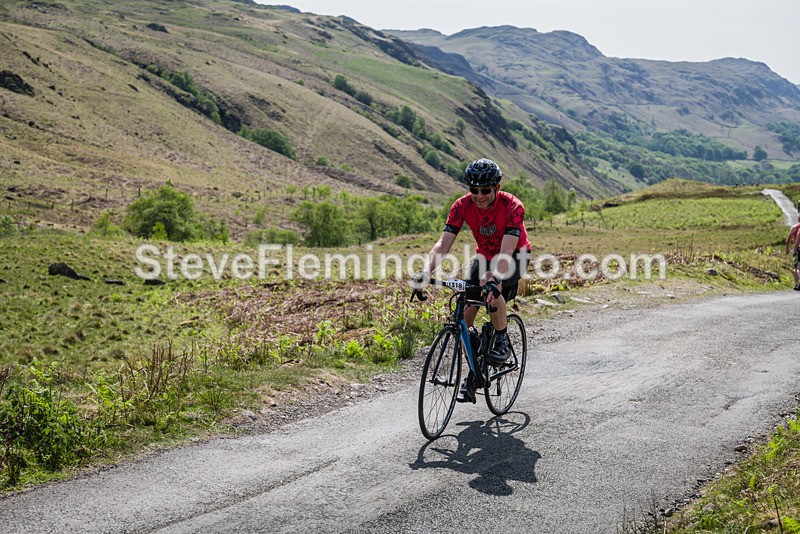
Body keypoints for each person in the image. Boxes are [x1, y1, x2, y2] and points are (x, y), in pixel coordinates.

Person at [414, 158, 532, 403]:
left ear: (496, 188)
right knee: (465, 314)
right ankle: (476, 369)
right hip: (485, 255)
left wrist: (495, 278)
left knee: (491, 286)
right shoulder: (461, 206)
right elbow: (443, 244)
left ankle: (501, 340)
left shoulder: (513, 207)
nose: (479, 195)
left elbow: (507, 251)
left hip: (514, 255)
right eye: (474, 190)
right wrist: (426, 273)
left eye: (485, 190)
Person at [787, 214, 800, 290]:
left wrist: (791, 249)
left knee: (796, 268)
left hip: (799, 249)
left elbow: (789, 240)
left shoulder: (795, 228)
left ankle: (796, 283)